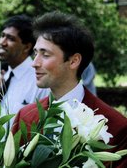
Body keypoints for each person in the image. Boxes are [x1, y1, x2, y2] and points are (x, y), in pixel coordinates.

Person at [12, 11, 127, 167]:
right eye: (35, 53)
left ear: (73, 61)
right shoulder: (25, 117)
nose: (35, 63)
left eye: (45, 54)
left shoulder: (117, 127)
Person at [0, 15, 49, 129]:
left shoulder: (39, 81)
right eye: (2, 36)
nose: (2, 42)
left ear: (26, 47)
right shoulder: (2, 77)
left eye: (11, 39)